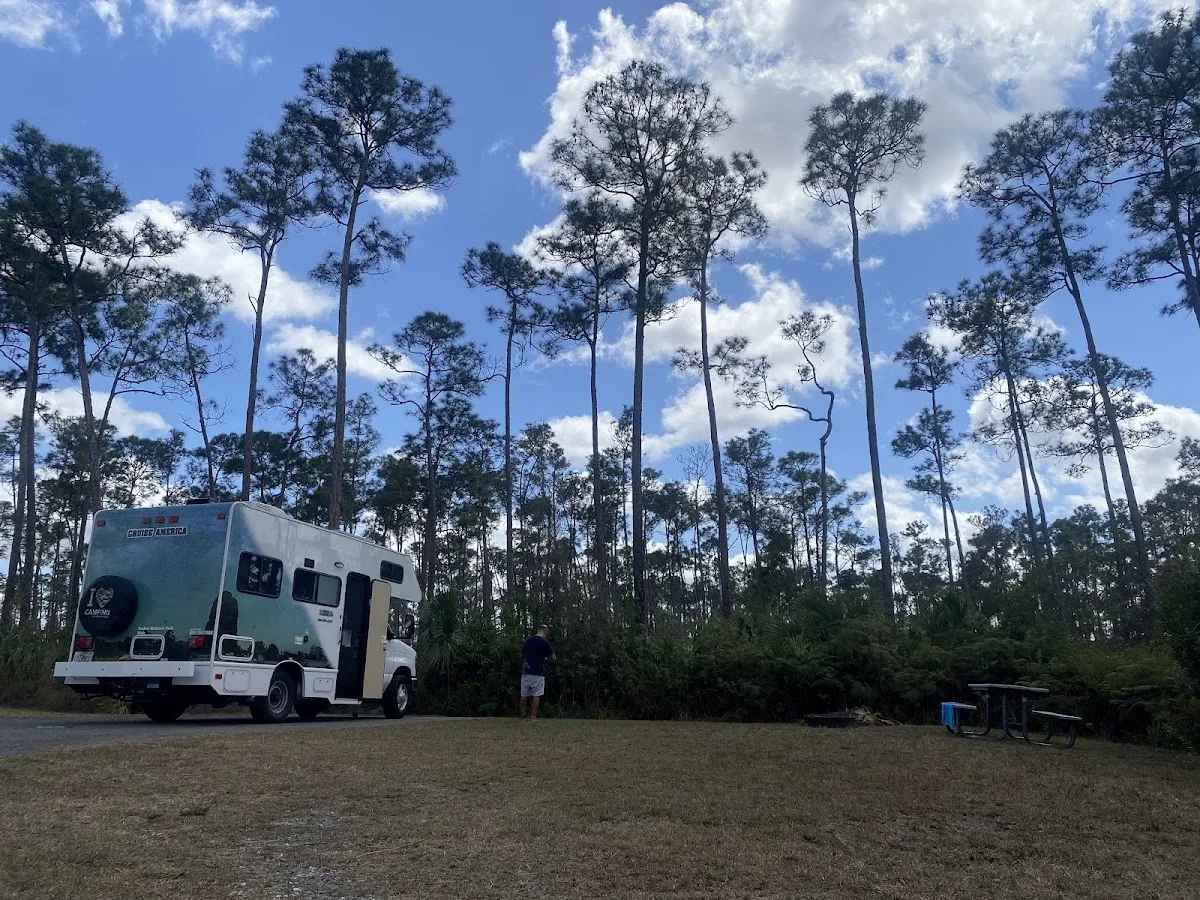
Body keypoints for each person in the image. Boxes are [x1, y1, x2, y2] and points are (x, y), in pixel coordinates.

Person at [519, 624, 556, 721]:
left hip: (526, 671)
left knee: (523, 695)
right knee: (536, 694)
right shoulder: (545, 643)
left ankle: (523, 715)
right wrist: (546, 659)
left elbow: (523, 653)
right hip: (537, 672)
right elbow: (553, 658)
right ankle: (533, 716)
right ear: (545, 631)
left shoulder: (528, 640)